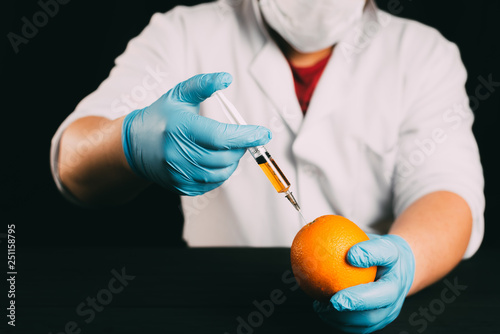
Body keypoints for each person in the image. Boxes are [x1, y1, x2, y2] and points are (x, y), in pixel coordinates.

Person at [50, 0, 485, 332]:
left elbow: (447, 189)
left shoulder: (423, 52)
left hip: (366, 307)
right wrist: (130, 144)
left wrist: (407, 260)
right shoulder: (184, 34)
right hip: (214, 307)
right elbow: (73, 158)